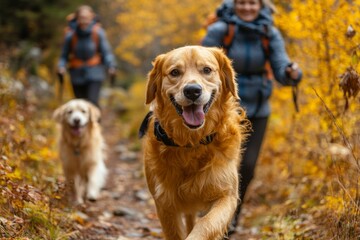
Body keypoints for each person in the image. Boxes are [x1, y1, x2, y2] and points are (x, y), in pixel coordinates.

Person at [202, 0, 302, 235]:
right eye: (242, 3)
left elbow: (280, 66)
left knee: (246, 166)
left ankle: (231, 217)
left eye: (252, 3)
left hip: (256, 110)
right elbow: (200, 65)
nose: (247, 8)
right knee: (212, 165)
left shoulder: (269, 32)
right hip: (221, 111)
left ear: (261, 5)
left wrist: (291, 72)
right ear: (234, 4)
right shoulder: (220, 30)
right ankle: (208, 213)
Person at [58, 5, 116, 107]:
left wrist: (111, 65)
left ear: (91, 18)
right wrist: (61, 67)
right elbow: (64, 55)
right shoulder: (70, 35)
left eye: (86, 18)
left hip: (95, 73)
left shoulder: (98, 33)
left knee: (92, 102)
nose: (84, 21)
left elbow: (106, 52)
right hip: (76, 74)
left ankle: (95, 122)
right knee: (80, 104)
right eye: (81, 18)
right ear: (77, 18)